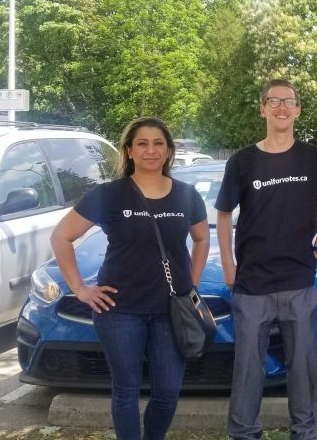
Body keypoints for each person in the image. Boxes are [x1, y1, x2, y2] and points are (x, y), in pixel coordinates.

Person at [50, 116, 210, 440]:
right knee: (126, 389)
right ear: (130, 151)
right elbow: (61, 237)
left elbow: (202, 239)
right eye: (142, 143)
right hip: (119, 309)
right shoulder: (109, 194)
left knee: (167, 390)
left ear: (168, 152)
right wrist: (79, 288)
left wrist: (190, 284)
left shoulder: (187, 195)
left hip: (171, 311)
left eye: (158, 143)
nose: (151, 150)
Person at [215, 79, 317, 440]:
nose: (282, 107)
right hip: (252, 283)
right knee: (248, 369)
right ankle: (243, 433)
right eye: (274, 101)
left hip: (299, 280)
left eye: (289, 101)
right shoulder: (243, 161)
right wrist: (227, 264)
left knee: (303, 367)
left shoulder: (312, 158)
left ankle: (305, 433)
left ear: (297, 110)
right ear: (263, 108)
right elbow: (223, 213)